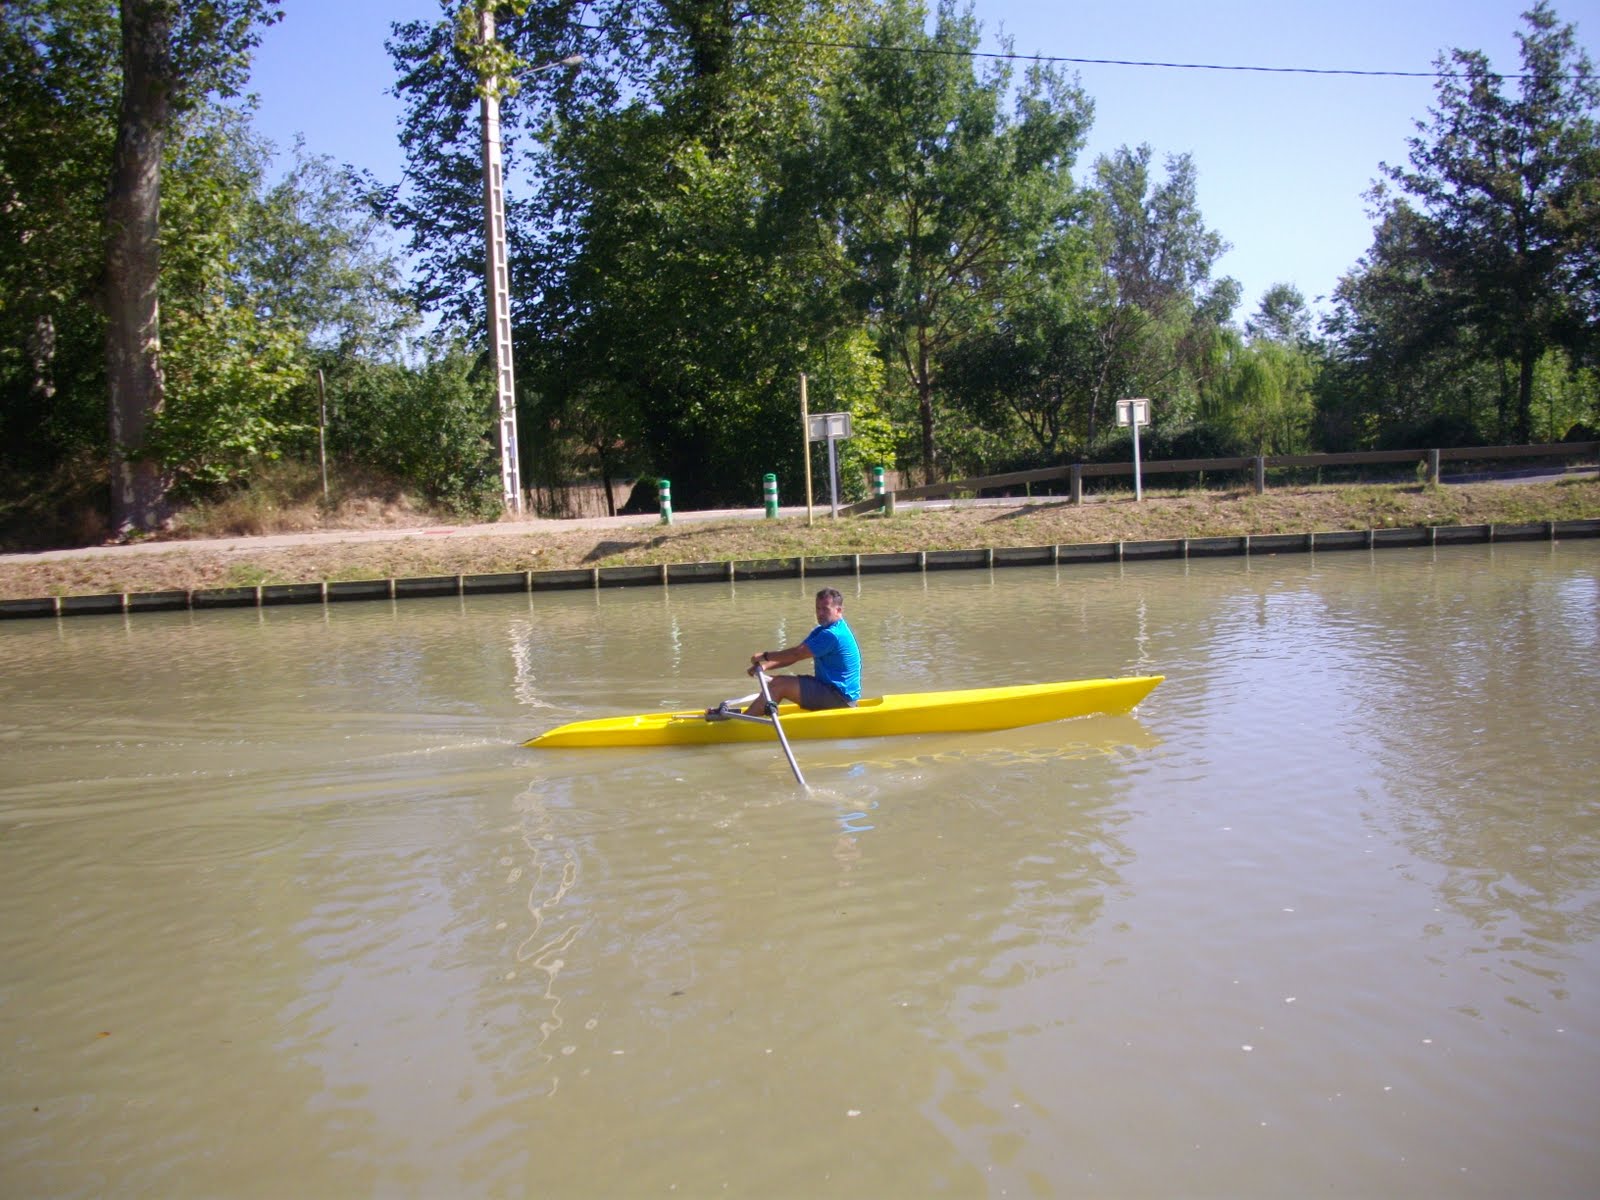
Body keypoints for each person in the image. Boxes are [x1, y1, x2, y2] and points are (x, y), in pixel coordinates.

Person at [730, 586, 861, 718]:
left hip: (840, 700)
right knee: (776, 682)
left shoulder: (833, 634)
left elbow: (796, 654)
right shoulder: (822, 630)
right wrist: (764, 666)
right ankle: (749, 717)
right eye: (817, 608)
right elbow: (794, 657)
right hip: (829, 689)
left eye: (825, 609)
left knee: (779, 685)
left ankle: (744, 722)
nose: (820, 613)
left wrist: (765, 656)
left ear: (839, 610)